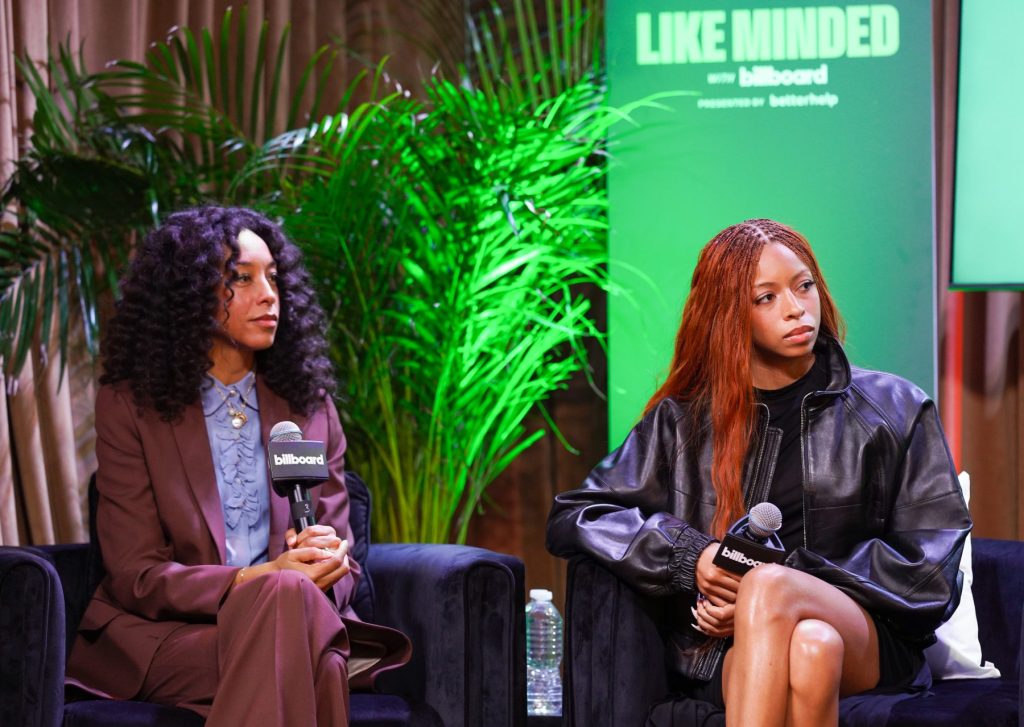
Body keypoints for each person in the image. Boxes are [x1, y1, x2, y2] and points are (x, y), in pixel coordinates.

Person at [546, 218, 972, 726]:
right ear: (729, 315)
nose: (796, 308)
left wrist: (775, 587)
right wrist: (691, 555)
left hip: (870, 636)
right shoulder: (683, 422)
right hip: (738, 645)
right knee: (811, 647)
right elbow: (577, 514)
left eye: (804, 286)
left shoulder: (895, 407)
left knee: (770, 587)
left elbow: (930, 570)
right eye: (766, 298)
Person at [67, 206, 410, 726]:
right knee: (314, 654)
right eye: (243, 279)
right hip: (173, 638)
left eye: (273, 277)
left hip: (298, 624)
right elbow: (136, 575)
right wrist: (261, 577)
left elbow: (343, 570)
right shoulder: (132, 407)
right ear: (189, 293)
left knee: (296, 619)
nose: (269, 294)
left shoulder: (309, 407)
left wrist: (327, 563)